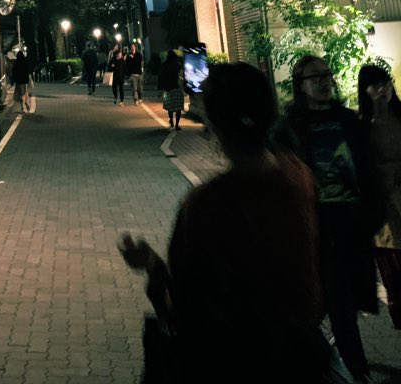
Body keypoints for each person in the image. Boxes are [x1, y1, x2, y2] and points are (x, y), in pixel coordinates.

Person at [119, 63, 330, 384]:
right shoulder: (298, 175)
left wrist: (150, 263)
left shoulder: (208, 205)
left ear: (214, 126)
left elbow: (185, 301)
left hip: (234, 360)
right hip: (299, 357)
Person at [280, 55, 383, 383]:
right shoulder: (291, 127)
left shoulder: (349, 121)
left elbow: (369, 170)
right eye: (315, 77)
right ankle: (355, 370)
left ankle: (340, 364)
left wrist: (373, 215)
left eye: (326, 75)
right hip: (316, 226)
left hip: (352, 222)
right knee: (333, 301)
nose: (324, 82)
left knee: (348, 300)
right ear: (300, 85)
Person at [358, 63, 401, 329]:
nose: (383, 89)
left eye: (386, 83)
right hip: (384, 213)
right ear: (366, 91)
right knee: (393, 273)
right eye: (375, 85)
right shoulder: (363, 128)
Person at [157, 49, 184, 129]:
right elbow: (182, 73)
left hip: (167, 89)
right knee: (178, 107)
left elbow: (160, 76)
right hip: (176, 88)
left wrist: (160, 87)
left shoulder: (164, 65)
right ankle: (177, 125)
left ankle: (171, 119)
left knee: (170, 107)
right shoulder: (177, 65)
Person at [11, 49, 33, 114]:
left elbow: (14, 72)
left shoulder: (16, 63)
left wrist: (12, 80)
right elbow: (29, 70)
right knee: (24, 93)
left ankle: (22, 107)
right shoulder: (25, 62)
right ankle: (25, 102)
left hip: (18, 81)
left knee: (19, 94)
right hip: (24, 81)